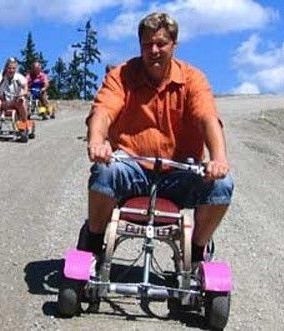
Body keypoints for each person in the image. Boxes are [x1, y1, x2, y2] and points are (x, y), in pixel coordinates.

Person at [83, 12, 234, 266]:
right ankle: (94, 243)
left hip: (179, 171)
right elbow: (103, 111)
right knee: (103, 171)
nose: (154, 50)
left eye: (161, 44)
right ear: (140, 45)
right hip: (132, 167)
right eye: (147, 44)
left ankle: (196, 253)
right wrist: (97, 141)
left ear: (174, 45)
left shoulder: (192, 78)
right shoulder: (121, 75)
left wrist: (218, 158)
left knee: (222, 185)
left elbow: (207, 118)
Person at [0, 57, 28, 122]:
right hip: (2, 101)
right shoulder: (0, 76)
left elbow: (25, 87)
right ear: (6, 68)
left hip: (15, 101)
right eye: (9, 68)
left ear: (16, 69)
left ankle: (24, 122)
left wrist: (23, 93)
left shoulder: (19, 77)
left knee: (21, 101)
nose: (11, 70)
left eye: (13, 68)